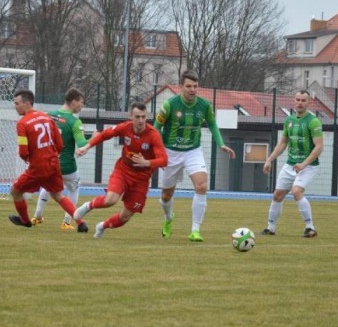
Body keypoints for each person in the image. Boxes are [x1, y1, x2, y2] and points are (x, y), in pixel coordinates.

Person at [153, 69, 236, 242]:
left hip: (193, 151)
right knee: (166, 196)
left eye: (195, 86)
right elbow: (156, 129)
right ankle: (168, 219)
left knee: (201, 186)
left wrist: (221, 144)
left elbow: (213, 124)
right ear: (180, 87)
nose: (192, 90)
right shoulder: (169, 105)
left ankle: (195, 230)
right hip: (171, 152)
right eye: (188, 86)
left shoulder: (204, 105)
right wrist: (159, 152)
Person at [73, 102, 167, 238]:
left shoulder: (153, 135)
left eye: (143, 117)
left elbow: (164, 160)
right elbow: (105, 134)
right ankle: (88, 206)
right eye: (137, 117)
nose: (141, 120)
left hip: (141, 180)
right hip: (123, 170)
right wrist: (86, 147)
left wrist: (147, 163)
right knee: (110, 200)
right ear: (131, 117)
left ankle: (102, 226)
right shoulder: (125, 128)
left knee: (125, 217)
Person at [8, 89, 88, 233]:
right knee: (58, 195)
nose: (15, 106)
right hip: (53, 163)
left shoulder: (22, 123)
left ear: (27, 104)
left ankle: (25, 221)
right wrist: (51, 155)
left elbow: (23, 151)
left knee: (15, 191)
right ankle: (81, 222)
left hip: (38, 166)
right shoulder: (46, 117)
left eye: (17, 103)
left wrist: (30, 159)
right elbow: (59, 144)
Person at [260, 90, 323, 238]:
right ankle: (271, 228)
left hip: (308, 166)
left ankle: (310, 228)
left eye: (303, 100)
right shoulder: (289, 121)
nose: (300, 103)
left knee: (296, 191)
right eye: (297, 100)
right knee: (277, 195)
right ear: (294, 101)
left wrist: (304, 164)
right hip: (290, 165)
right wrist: (269, 160)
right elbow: (282, 143)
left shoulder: (313, 121)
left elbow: (319, 146)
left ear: (309, 103)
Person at [32, 88, 88, 230]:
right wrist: (96, 136)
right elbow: (82, 144)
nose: (82, 106)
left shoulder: (48, 116)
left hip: (48, 163)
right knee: (74, 188)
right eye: (81, 102)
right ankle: (67, 222)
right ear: (74, 101)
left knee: (48, 186)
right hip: (67, 165)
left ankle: (37, 216)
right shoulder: (74, 122)